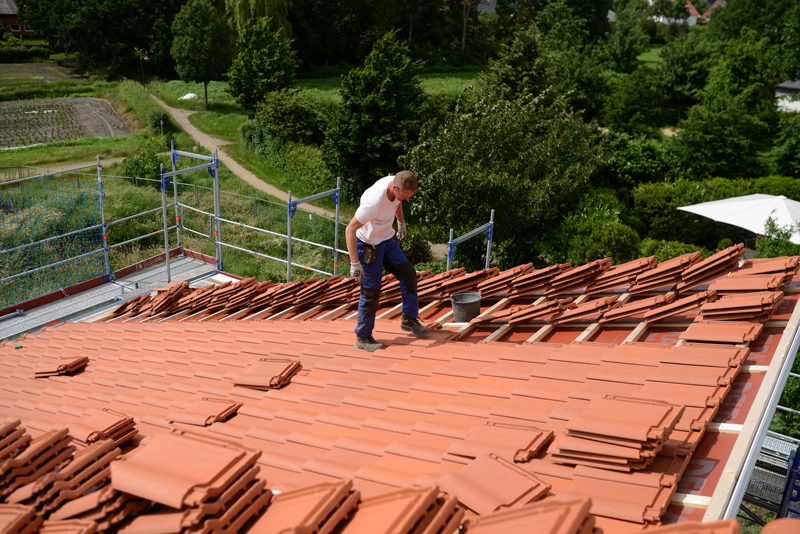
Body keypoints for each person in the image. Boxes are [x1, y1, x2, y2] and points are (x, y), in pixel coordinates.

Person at [346, 171, 430, 352]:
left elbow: (397, 203)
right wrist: (354, 262)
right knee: (371, 291)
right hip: (368, 245)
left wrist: (401, 222)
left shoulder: (396, 187)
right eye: (405, 196)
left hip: (386, 241)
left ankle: (409, 319)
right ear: (395, 187)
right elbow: (350, 229)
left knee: (408, 274)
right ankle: (363, 336)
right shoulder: (373, 204)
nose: (407, 200)